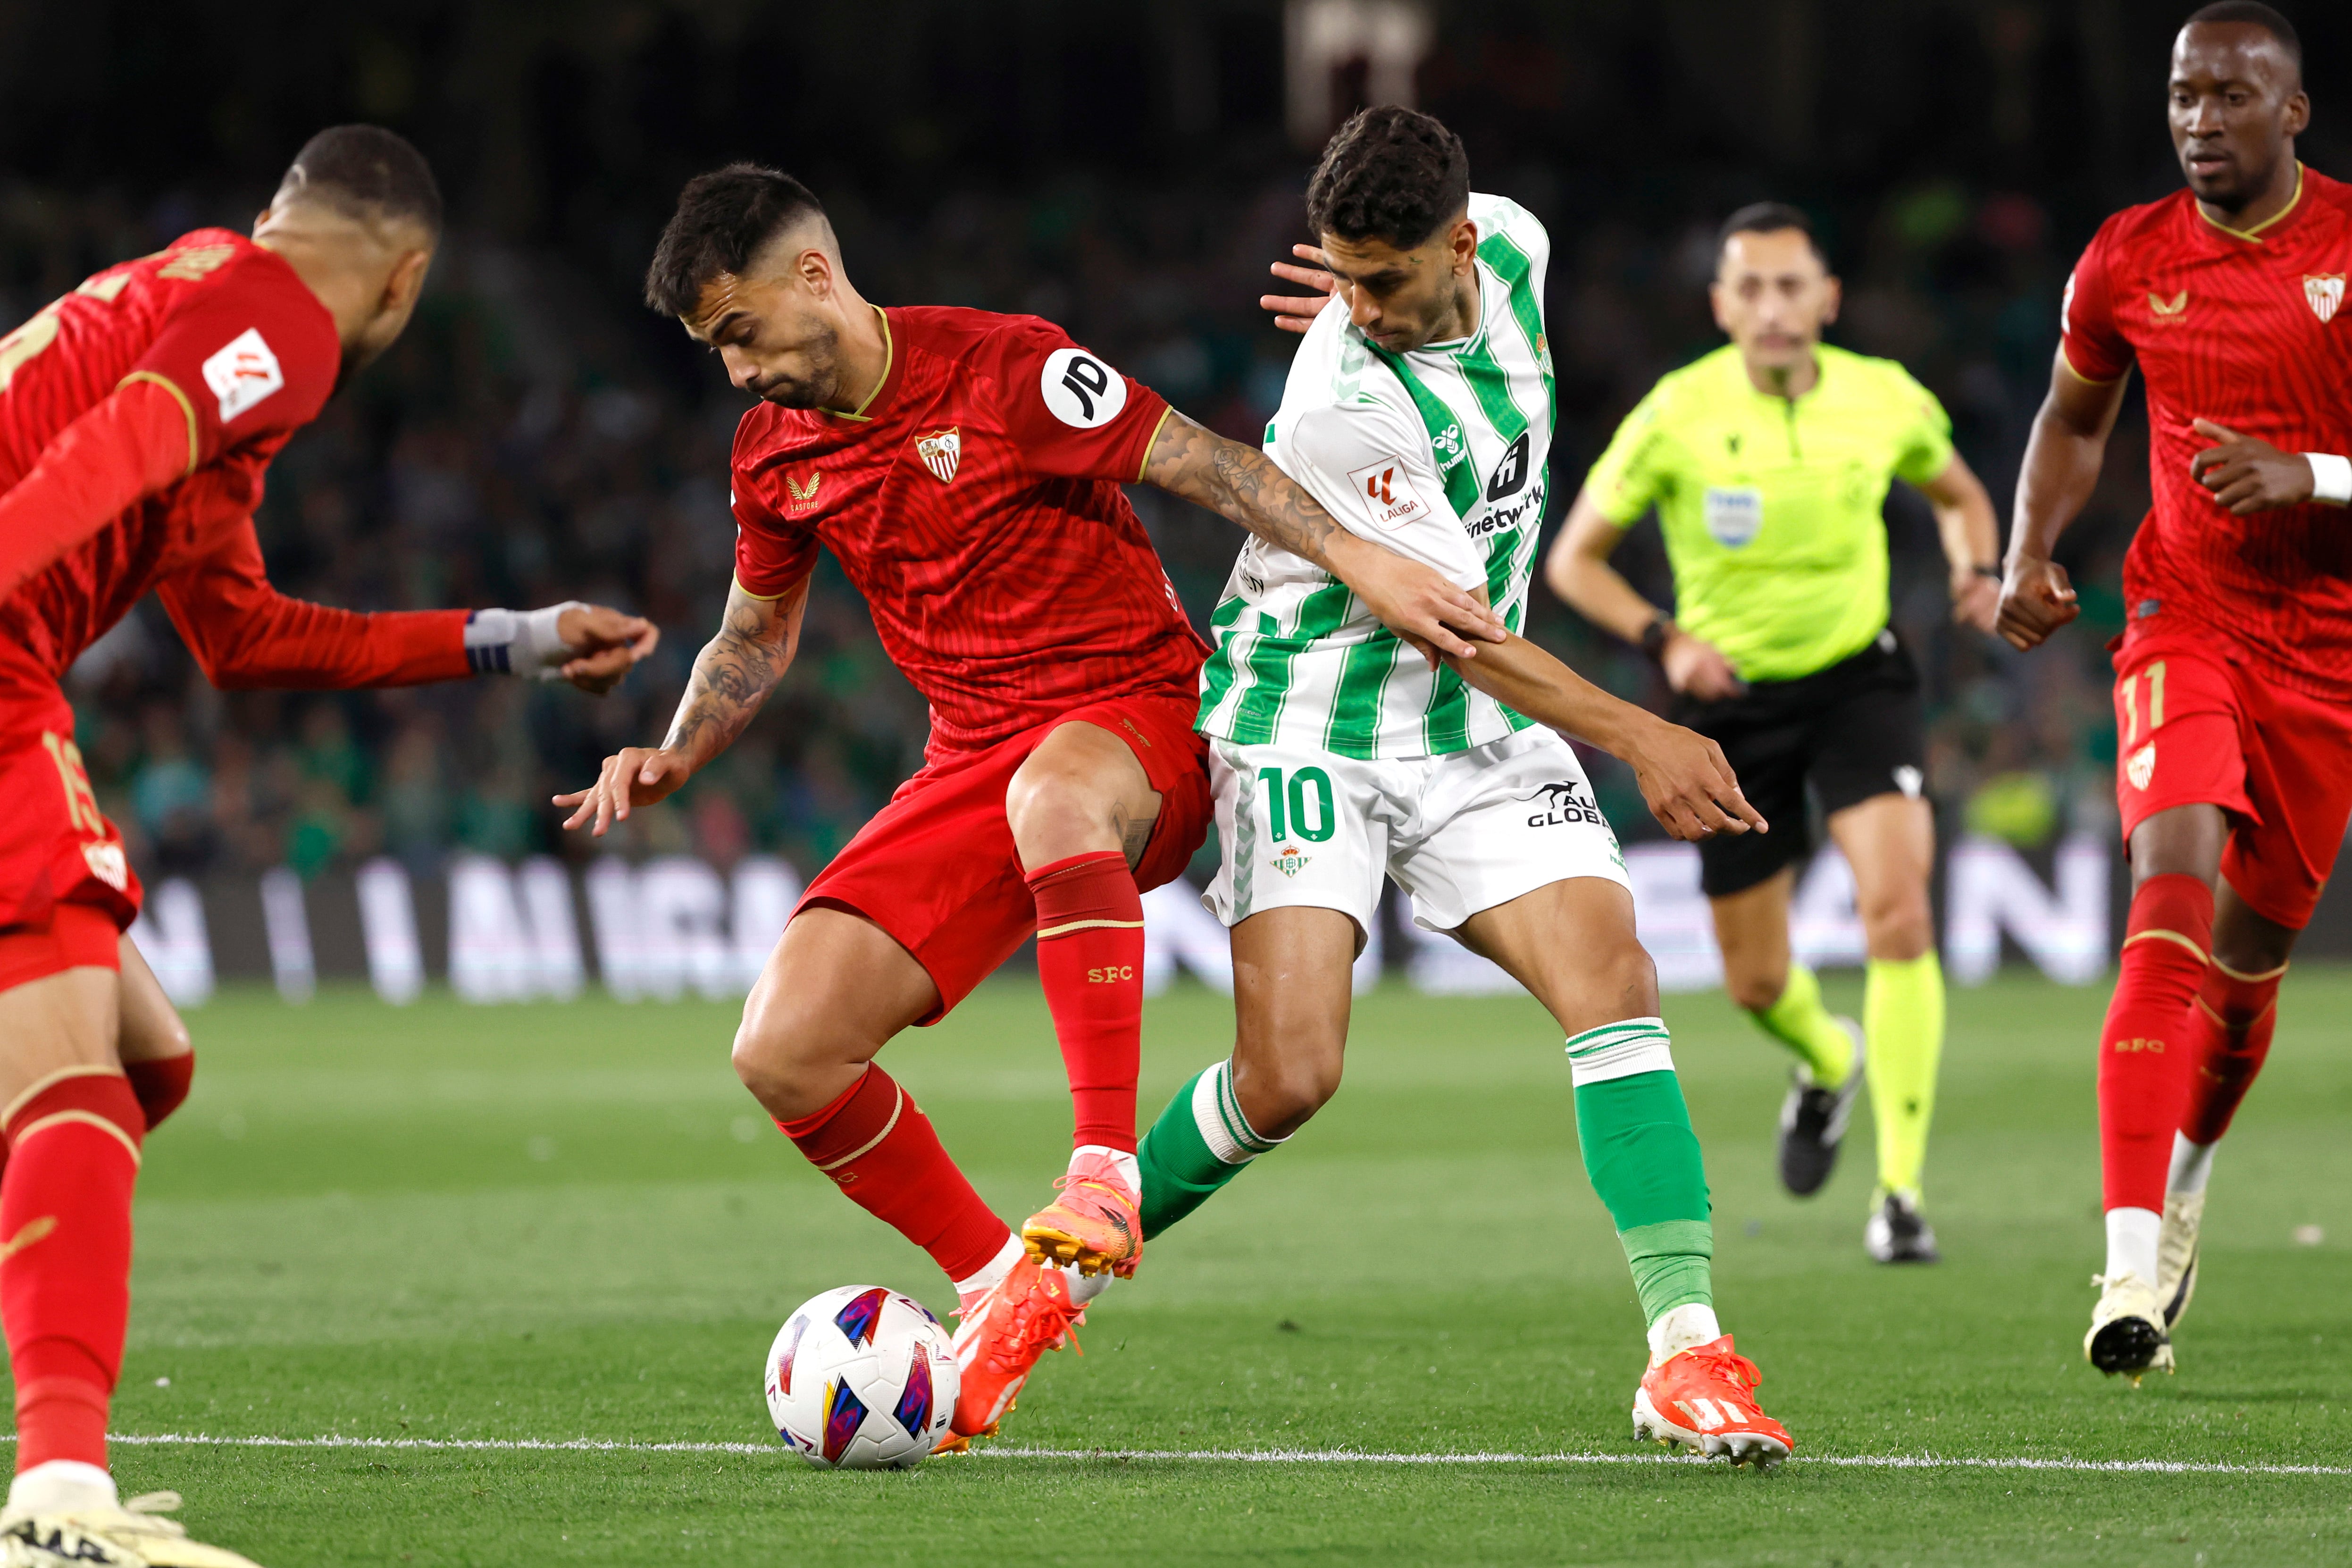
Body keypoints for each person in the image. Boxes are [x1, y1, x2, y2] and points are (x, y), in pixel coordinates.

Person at [559, 162, 1505, 1450]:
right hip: (971, 759)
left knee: (1057, 793)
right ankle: (1005, 1283)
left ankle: (1102, 1173)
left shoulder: (1005, 369)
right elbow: (754, 632)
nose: (738, 373)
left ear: (813, 278)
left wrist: (1367, 565)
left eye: (740, 335)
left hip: (1141, 718)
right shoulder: (774, 451)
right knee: (781, 1047)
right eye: (715, 353)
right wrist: (677, 750)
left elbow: (1210, 467)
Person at [0, 127, 656, 1567]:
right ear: (403, 282)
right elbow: (123, 445)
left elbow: (244, 637)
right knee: (72, 1079)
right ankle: (57, 1502)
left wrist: (514, 640)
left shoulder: (198, 318)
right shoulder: (279, 319)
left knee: (142, 1065)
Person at [1123, 107, 1794, 1466]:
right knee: (1289, 1074)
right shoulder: (1337, 404)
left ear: (1466, 244)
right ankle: (1044, 1276)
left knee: (1614, 979)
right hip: (1311, 713)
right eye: (1340, 277)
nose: (1361, 308)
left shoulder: (1524, 255)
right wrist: (1644, 735)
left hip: (1465, 728)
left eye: (1386, 277)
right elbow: (1465, 630)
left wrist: (1380, 285)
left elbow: (1475, 647)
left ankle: (1687, 1353)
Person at [1997, 0, 2352, 1382]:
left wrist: (2313, 475)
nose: (2199, 120)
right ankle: (2127, 1259)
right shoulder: (2129, 256)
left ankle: (2189, 1172)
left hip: (2328, 653)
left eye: (2227, 97)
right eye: (2180, 96)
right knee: (2169, 892)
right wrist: (2026, 554)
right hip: (2182, 619)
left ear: (2292, 113)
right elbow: (2073, 419)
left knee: (2249, 974)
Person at [1543, 204, 2000, 1263]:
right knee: (1755, 982)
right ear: (1721, 306)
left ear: (1828, 298)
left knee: (1899, 915)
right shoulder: (1677, 413)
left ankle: (1900, 1195)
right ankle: (1825, 1059)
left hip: (1859, 681)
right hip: (1731, 705)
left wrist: (1976, 566)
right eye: (1749, 289)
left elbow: (1960, 493)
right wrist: (1666, 641)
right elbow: (1577, 563)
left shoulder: (1884, 398)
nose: (1772, 308)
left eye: (1792, 287)